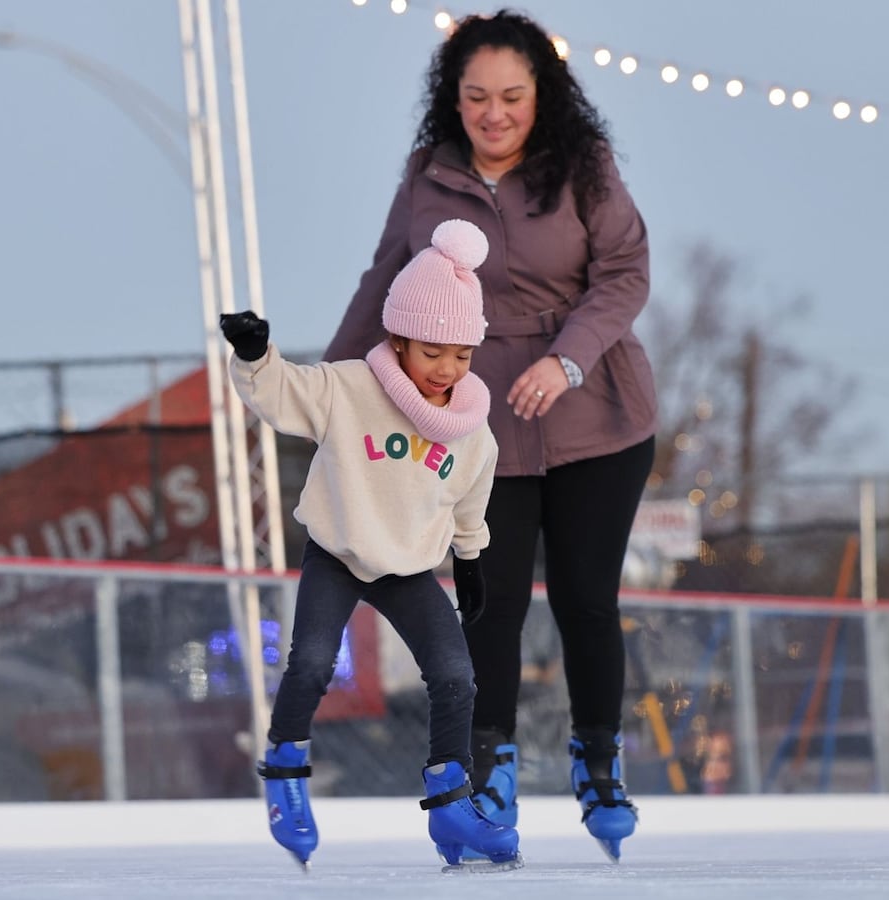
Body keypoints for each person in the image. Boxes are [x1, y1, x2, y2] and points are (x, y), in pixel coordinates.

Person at [323, 10, 656, 863]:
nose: (495, 113)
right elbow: (384, 284)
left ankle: (597, 764)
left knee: (586, 599)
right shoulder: (428, 177)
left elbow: (623, 275)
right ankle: (490, 771)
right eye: (477, 97)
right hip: (477, 423)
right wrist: (333, 391)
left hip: (595, 414)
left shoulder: (583, 168)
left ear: (542, 95)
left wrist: (569, 360)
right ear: (455, 98)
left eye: (512, 95)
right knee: (488, 604)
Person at [223, 219, 521, 872]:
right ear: (399, 338)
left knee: (455, 675)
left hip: (409, 567)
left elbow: (470, 498)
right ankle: (285, 772)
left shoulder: (472, 430)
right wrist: (255, 356)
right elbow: (281, 395)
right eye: (431, 351)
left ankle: (451, 800)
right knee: (310, 665)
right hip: (337, 552)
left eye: (462, 355)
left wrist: (469, 560)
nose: (446, 369)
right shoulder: (350, 388)